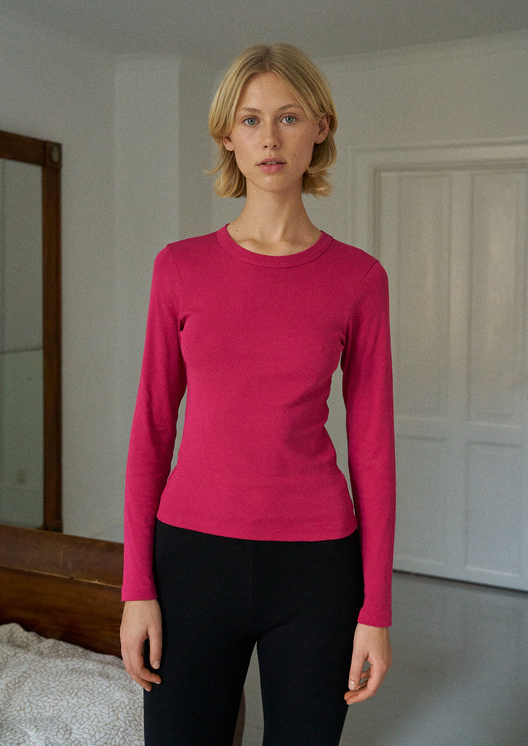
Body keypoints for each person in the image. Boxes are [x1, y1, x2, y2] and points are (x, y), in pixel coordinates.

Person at [120, 42, 396, 746]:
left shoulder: (359, 279)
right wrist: (136, 589)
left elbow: (372, 449)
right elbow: (152, 431)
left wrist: (376, 610)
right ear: (227, 136)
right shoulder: (179, 268)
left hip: (315, 569)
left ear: (320, 128)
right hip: (191, 562)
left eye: (288, 117)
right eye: (249, 120)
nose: (269, 138)